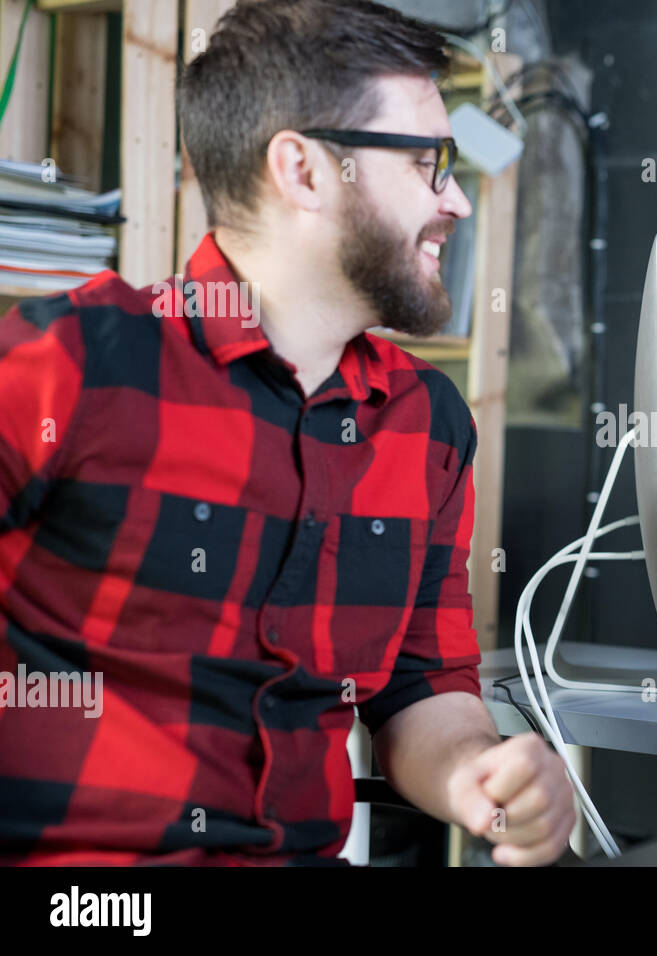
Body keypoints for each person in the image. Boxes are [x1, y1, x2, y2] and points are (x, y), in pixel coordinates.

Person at [0, 0, 574, 866]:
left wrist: (477, 777)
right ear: (303, 171)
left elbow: (422, 684)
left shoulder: (430, 423)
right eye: (427, 163)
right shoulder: (71, 364)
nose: (455, 199)